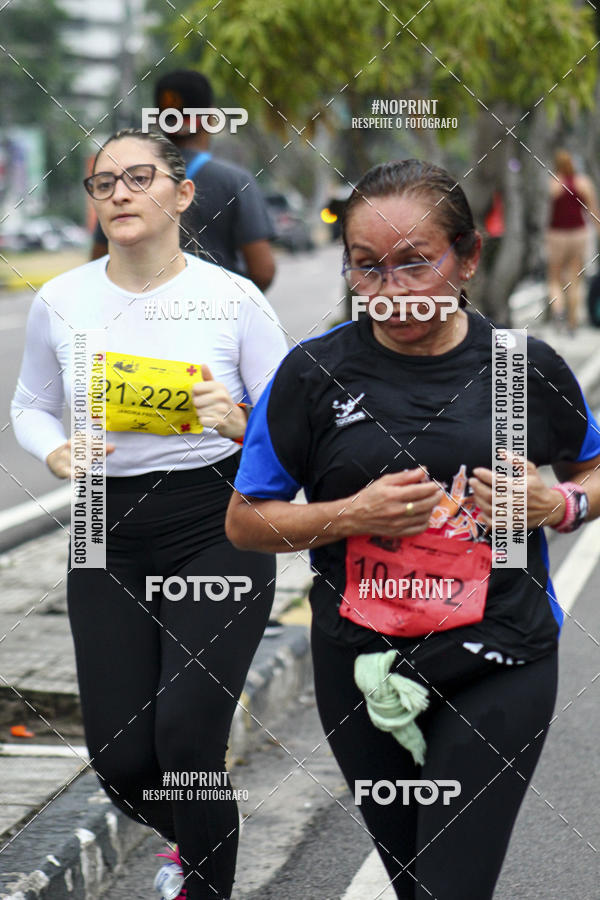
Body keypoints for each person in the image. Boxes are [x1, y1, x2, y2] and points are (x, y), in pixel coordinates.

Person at [225, 159, 600, 899]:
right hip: (363, 667)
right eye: (367, 268)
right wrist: (349, 515)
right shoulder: (311, 374)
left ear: (467, 258)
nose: (389, 290)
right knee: (412, 879)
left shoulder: (523, 368)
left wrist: (559, 507)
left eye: (414, 264)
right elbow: (245, 521)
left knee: (450, 888)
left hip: (501, 654)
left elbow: (592, 472)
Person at [11, 127, 288, 900]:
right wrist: (56, 454)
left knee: (189, 739)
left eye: (139, 178)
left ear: (182, 194)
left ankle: (205, 878)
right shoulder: (62, 300)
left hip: (213, 520)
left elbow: (293, 413)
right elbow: (30, 405)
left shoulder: (231, 297)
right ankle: (194, 835)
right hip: (104, 525)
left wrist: (239, 418)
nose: (121, 193)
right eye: (104, 184)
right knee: (123, 756)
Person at [91, 70, 276, 292]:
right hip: (215, 317)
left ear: (158, 119)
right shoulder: (236, 181)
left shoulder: (125, 182)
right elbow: (263, 271)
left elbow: (99, 262)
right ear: (210, 118)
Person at [547, 148, 600, 333]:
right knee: (574, 279)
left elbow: (544, 213)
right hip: (578, 234)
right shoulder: (583, 183)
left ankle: (558, 312)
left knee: (554, 279)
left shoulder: (552, 184)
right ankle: (572, 322)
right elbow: (593, 212)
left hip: (557, 235)